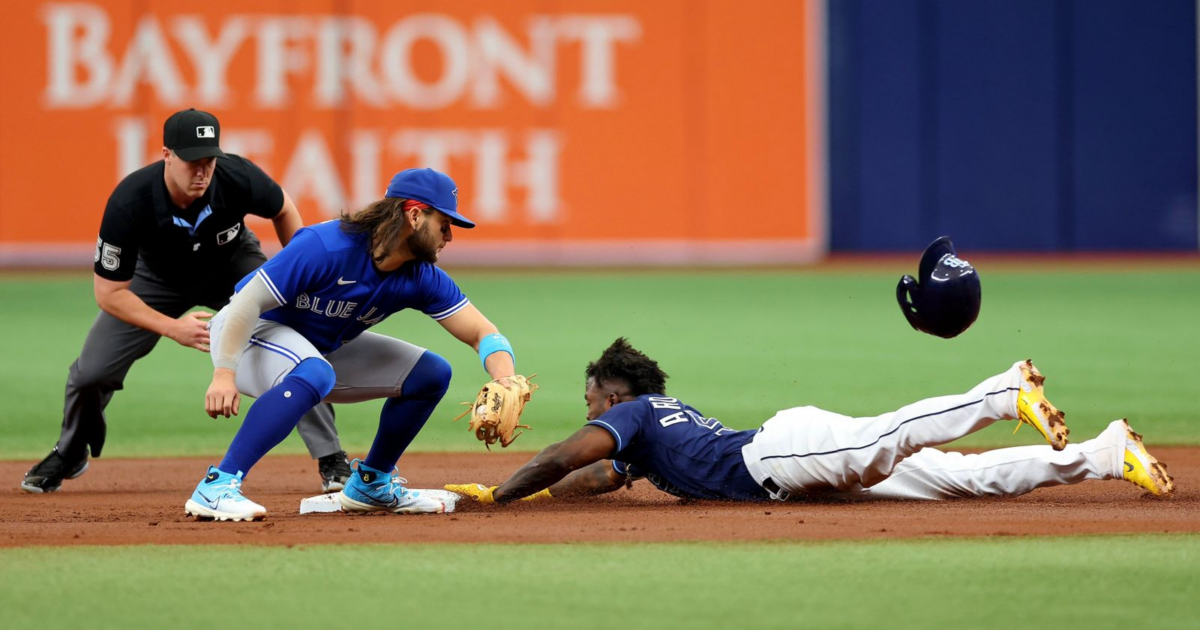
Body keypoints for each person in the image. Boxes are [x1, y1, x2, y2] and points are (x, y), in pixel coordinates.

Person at [20, 109, 349, 495]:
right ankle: (71, 450)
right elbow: (108, 294)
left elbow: (283, 208)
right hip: (157, 280)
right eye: (192, 161)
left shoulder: (236, 176)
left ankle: (331, 456)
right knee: (90, 373)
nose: (202, 171)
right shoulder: (131, 201)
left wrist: (294, 271)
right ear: (167, 155)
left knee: (293, 341)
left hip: (232, 266)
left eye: (208, 161)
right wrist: (171, 327)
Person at [446, 338, 1175, 505]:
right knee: (964, 480)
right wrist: (541, 494)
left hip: (782, 456)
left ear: (615, 393)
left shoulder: (632, 413)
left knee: (888, 436)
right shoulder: (656, 428)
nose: (587, 407)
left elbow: (567, 458)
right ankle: (1106, 454)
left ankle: (1002, 392)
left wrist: (502, 494)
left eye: (590, 395)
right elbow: (598, 476)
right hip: (792, 464)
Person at [184, 167, 525, 521]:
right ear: (414, 215)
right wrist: (225, 372)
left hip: (317, 348)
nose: (449, 236)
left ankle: (371, 484)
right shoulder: (327, 246)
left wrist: (505, 379)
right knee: (315, 372)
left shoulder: (420, 277)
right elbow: (246, 302)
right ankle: (217, 486)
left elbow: (483, 333)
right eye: (444, 223)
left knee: (431, 373)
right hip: (248, 333)